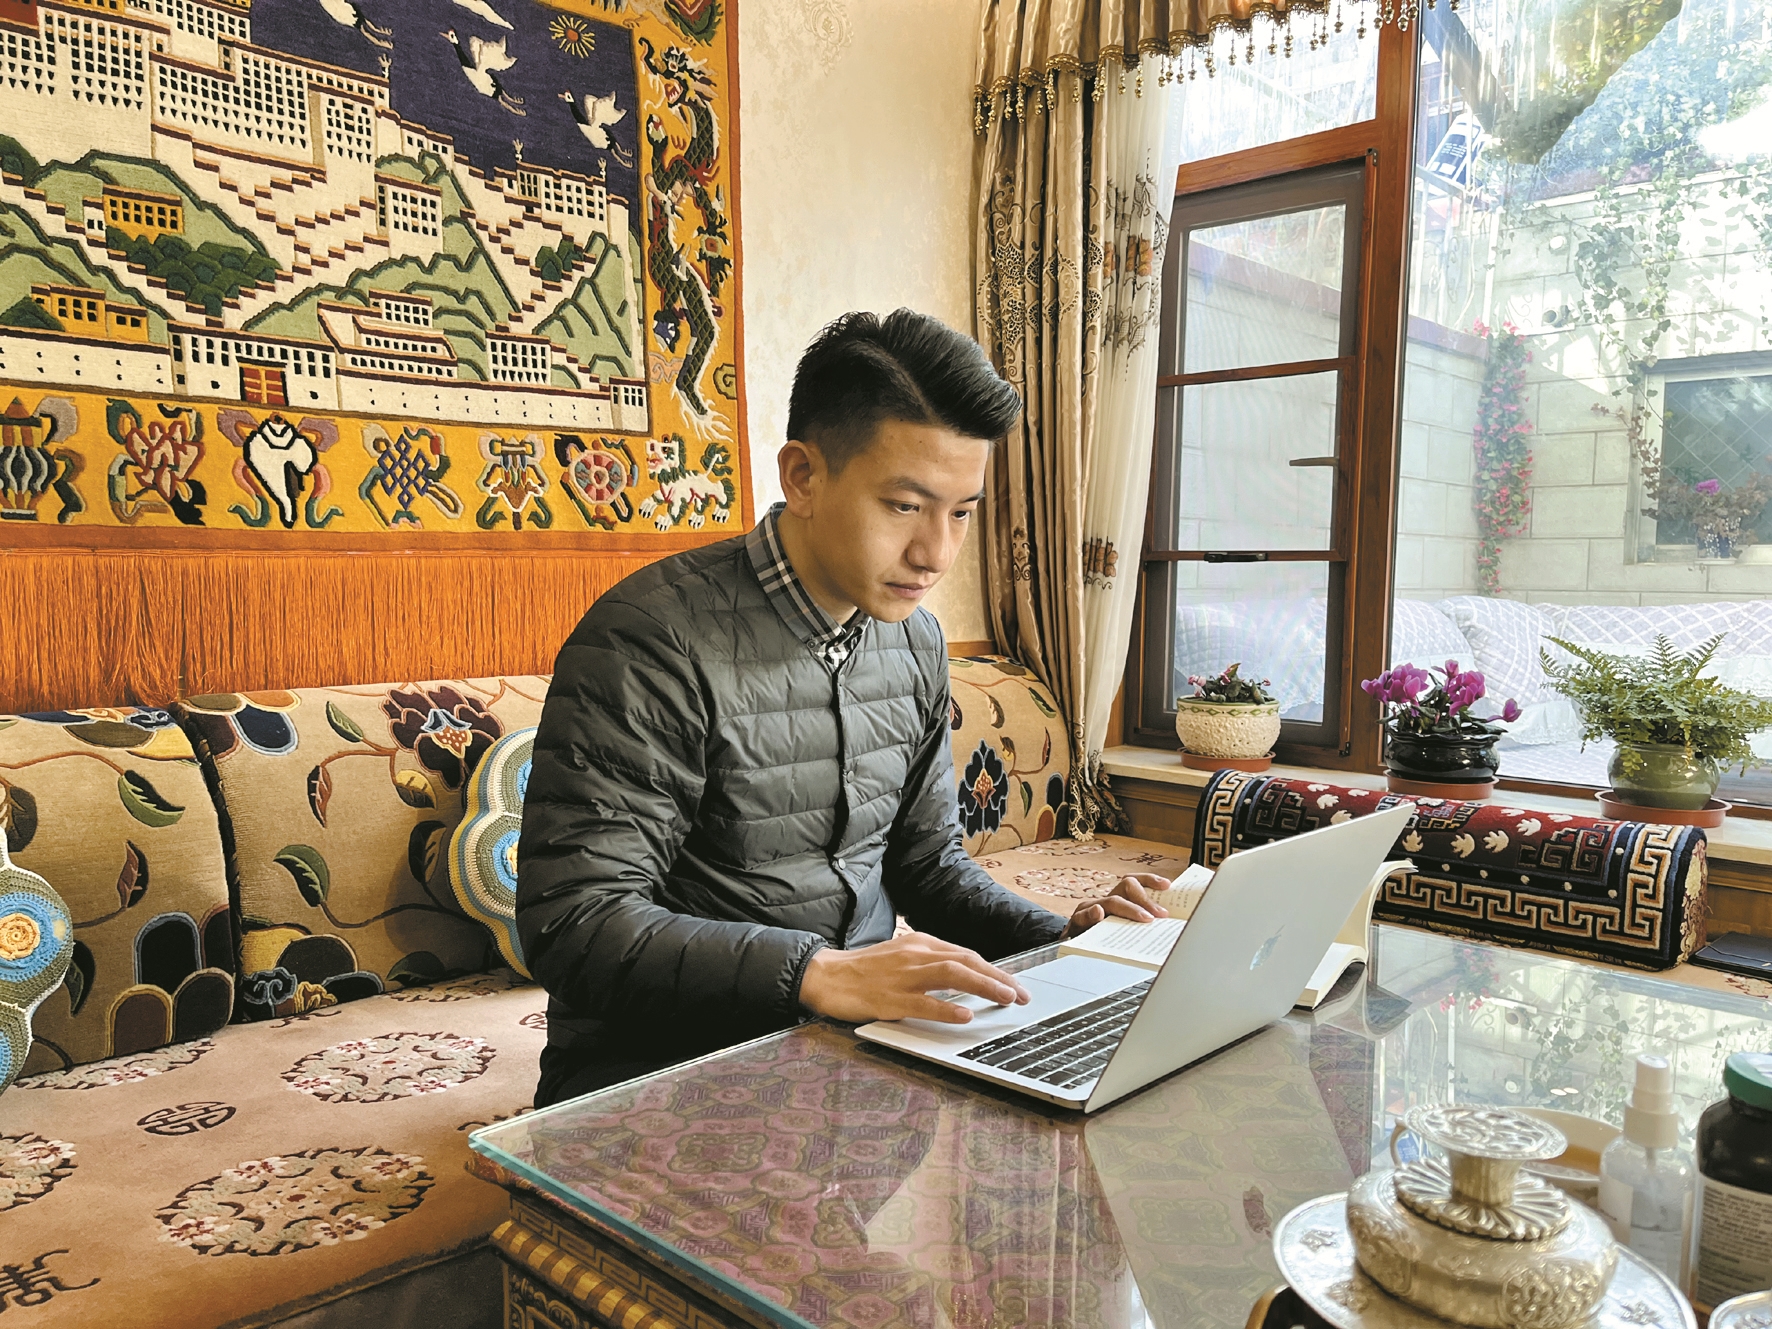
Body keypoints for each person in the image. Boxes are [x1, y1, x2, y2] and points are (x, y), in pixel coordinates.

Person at [516, 309, 1169, 1108]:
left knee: (1114, 1104)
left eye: (961, 511)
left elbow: (928, 868)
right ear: (802, 476)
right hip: (659, 1068)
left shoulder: (915, 641)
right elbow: (575, 922)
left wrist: (1063, 935)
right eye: (905, 505)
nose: (936, 553)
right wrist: (816, 972)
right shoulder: (649, 639)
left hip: (849, 1049)